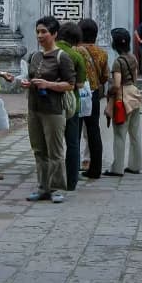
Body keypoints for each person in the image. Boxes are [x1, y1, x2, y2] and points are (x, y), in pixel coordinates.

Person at [21, 16, 74, 203]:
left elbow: (70, 85)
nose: (40, 35)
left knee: (55, 151)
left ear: (54, 34)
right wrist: (28, 83)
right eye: (38, 32)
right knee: (39, 149)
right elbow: (31, 77)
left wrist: (48, 84)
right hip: (34, 108)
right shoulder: (35, 56)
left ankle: (56, 187)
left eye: (44, 32)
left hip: (53, 109)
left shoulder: (62, 57)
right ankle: (43, 187)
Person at [57, 22, 90, 191]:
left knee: (52, 144)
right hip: (71, 104)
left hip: (51, 105)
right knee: (72, 143)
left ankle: (51, 179)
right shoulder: (76, 56)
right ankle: (71, 180)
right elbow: (80, 83)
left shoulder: (49, 51)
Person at [104, 28, 142, 176]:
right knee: (135, 133)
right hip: (134, 94)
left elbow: (116, 84)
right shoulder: (133, 58)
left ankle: (117, 168)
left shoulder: (117, 62)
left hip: (122, 97)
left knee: (120, 134)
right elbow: (135, 77)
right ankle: (135, 165)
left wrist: (110, 92)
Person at [79, 18, 109, 181]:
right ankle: (95, 167)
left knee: (75, 129)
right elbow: (105, 76)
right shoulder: (102, 53)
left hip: (77, 92)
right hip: (94, 93)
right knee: (93, 129)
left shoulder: (75, 51)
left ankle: (73, 163)